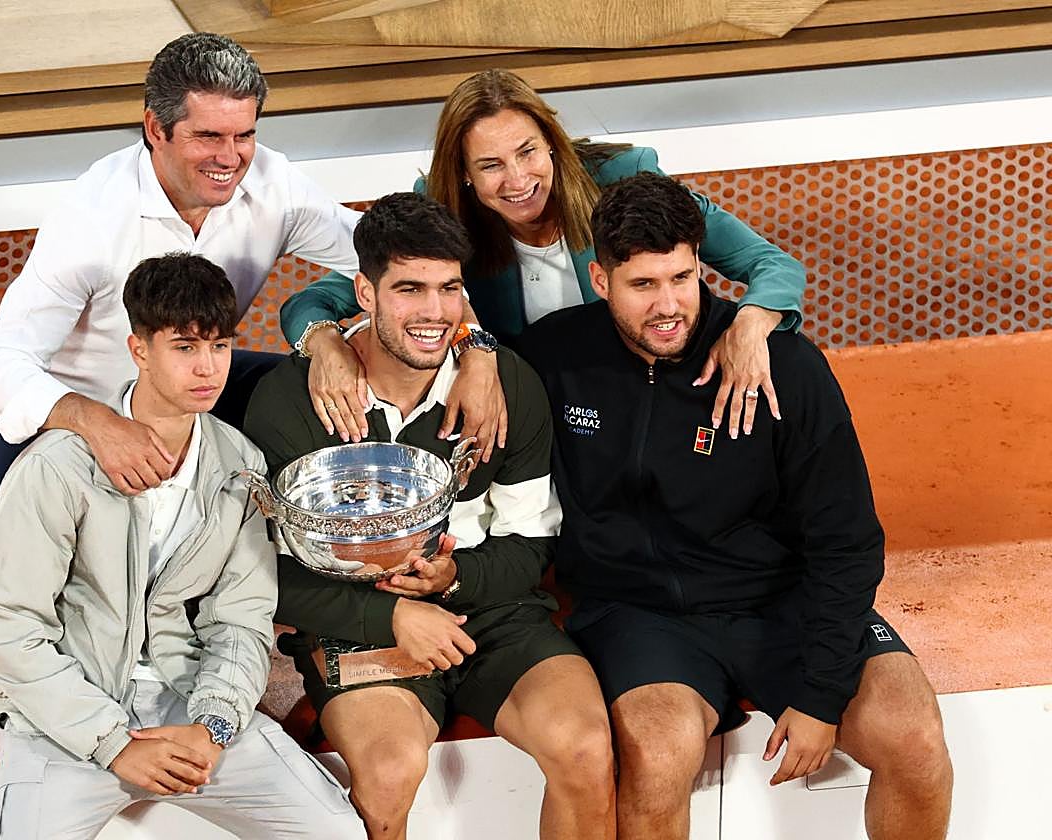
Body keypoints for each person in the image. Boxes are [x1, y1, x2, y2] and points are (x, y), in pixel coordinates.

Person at [522, 172, 953, 840]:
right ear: (600, 279)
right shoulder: (555, 356)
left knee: (915, 739)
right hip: (640, 615)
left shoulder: (783, 364)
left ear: (701, 266)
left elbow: (847, 541)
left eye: (682, 278)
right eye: (642, 285)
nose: (668, 306)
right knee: (657, 759)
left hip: (781, 600)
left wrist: (818, 694)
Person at [245, 192, 615, 840]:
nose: (434, 312)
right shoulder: (290, 400)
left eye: (449, 289)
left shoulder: (506, 384)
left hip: (491, 612)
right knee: (389, 773)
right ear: (364, 292)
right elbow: (267, 573)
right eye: (409, 289)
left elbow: (532, 541)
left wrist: (453, 581)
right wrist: (392, 614)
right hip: (359, 623)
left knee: (586, 748)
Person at [0, 253, 364, 840]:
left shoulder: (239, 464)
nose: (208, 368)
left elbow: (241, 617)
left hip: (186, 703)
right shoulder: (56, 467)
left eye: (221, 346)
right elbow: (9, 629)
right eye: (184, 347)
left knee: (333, 833)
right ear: (139, 350)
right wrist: (110, 743)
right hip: (65, 719)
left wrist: (213, 723)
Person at [0, 32, 361, 570]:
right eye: (208, 136)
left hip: (195, 378)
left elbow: (382, 259)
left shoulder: (273, 183)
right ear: (155, 129)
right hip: (74, 398)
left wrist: (325, 336)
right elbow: (1, 366)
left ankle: (288, 577)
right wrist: (99, 423)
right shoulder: (90, 218)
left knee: (316, 394)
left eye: (244, 135)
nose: (230, 157)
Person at [279, 68, 806, 457]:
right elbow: (316, 300)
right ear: (462, 174)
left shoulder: (626, 177)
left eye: (528, 152)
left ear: (552, 145)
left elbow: (771, 265)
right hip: (538, 406)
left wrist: (750, 325)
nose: (517, 179)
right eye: (490, 165)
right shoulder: (443, 209)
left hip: (644, 382)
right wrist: (324, 343)